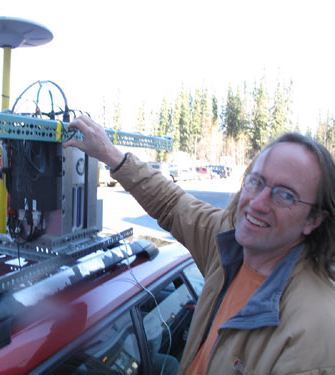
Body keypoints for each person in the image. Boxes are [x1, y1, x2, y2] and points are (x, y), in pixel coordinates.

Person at [64, 115, 335, 375]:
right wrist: (111, 155)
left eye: (285, 195)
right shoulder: (228, 243)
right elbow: (173, 204)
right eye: (256, 181)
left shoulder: (316, 330)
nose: (258, 203)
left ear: (314, 220)